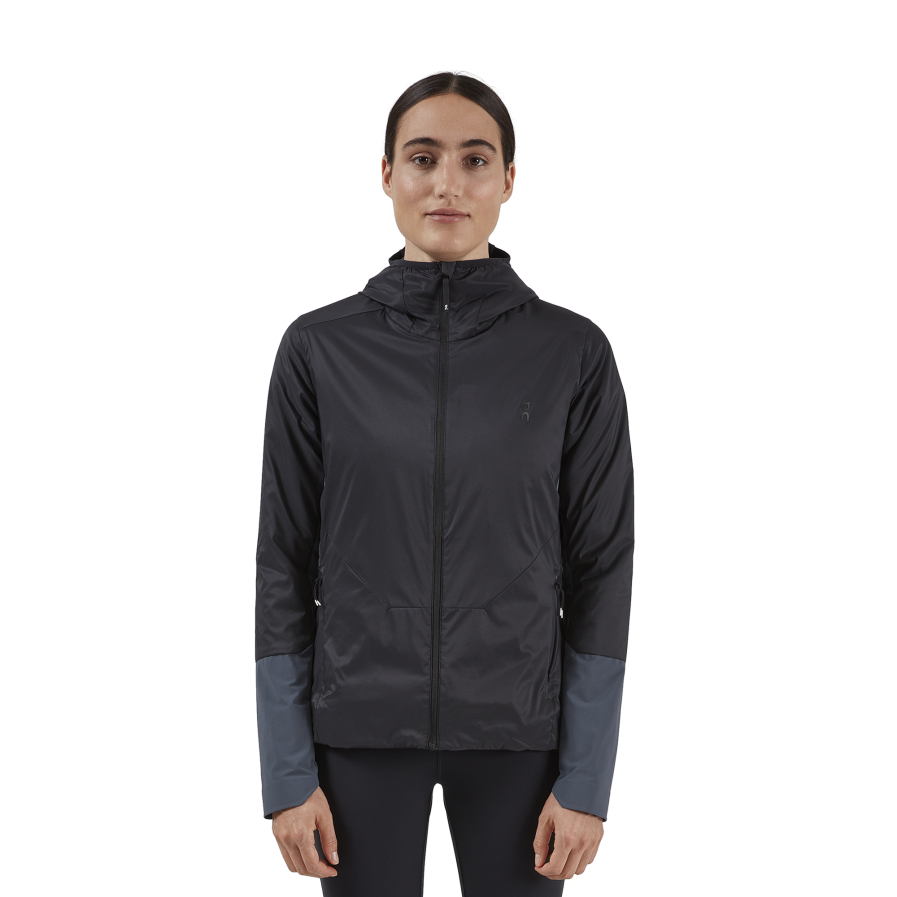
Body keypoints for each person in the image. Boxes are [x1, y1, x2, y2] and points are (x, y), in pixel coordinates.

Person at [255, 68, 634, 895]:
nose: (447, 184)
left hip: (521, 735)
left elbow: (602, 567)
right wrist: (286, 772)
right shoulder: (318, 349)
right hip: (356, 731)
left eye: (475, 159)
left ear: (509, 178)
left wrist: (585, 778)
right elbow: (281, 561)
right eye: (423, 157)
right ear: (387, 174)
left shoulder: (573, 353)